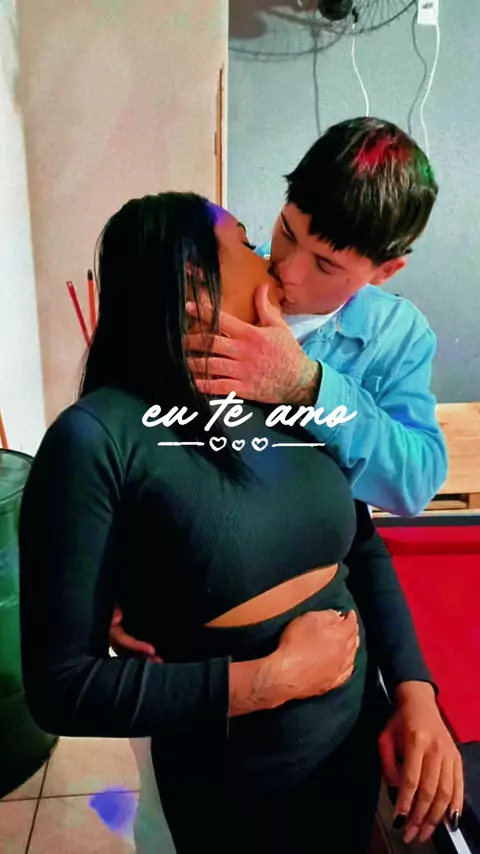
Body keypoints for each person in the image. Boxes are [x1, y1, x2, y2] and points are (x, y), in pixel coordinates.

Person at [19, 193, 462, 854]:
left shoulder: (276, 391)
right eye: (249, 244)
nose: (273, 264)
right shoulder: (94, 438)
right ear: (195, 279)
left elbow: (364, 548)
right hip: (234, 793)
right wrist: (266, 682)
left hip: (352, 756)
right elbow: (62, 688)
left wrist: (414, 691)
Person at [185, 117, 447, 518]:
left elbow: (417, 483)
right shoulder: (219, 277)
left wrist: (309, 386)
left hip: (320, 542)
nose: (287, 269)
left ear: (385, 271)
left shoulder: (398, 334)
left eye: (325, 266)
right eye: (287, 233)